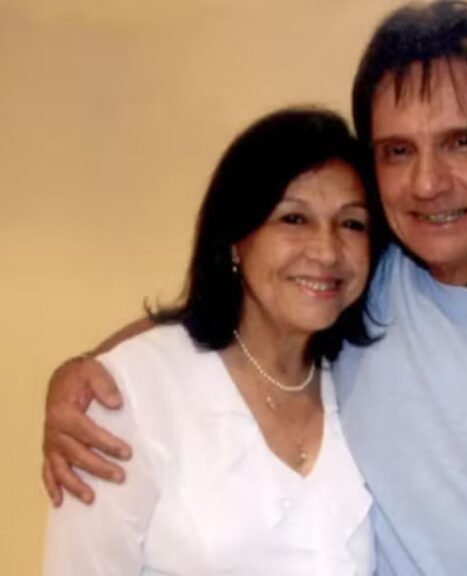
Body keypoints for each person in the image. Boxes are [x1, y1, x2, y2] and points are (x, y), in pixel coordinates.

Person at [42, 1, 467, 574]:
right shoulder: (361, 287)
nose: (427, 183)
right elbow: (228, 310)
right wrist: (81, 375)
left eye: (462, 142)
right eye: (398, 151)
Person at [43, 107, 390, 574]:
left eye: (352, 224)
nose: (327, 251)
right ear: (235, 239)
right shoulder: (129, 393)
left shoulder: (361, 384)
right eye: (293, 219)